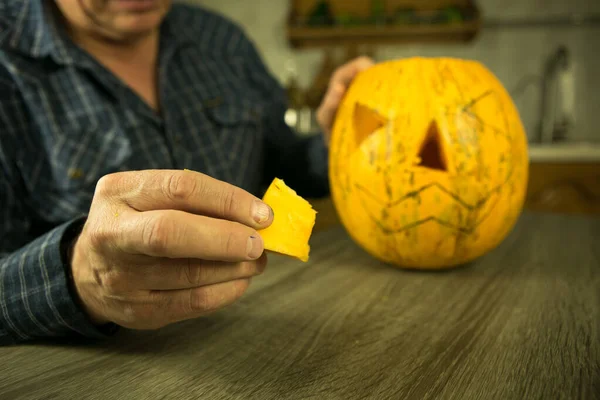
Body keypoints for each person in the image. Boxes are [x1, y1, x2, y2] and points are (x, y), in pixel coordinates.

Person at [0, 0, 374, 346]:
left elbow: (285, 165)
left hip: (258, 332)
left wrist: (339, 143)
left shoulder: (221, 40)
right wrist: (77, 275)